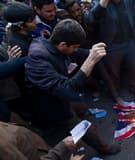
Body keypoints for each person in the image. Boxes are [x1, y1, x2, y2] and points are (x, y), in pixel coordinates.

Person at [25, 19, 121, 155]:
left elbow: (74, 52)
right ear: (63, 44)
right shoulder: (38, 57)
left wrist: (90, 52)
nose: (76, 50)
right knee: (79, 125)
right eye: (75, 46)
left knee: (81, 107)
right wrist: (91, 60)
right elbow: (67, 89)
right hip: (51, 103)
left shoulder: (51, 41)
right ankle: (104, 148)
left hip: (60, 93)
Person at [89, 0, 135, 98]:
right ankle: (115, 92)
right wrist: (102, 5)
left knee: (134, 67)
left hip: (129, 41)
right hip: (113, 45)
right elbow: (92, 19)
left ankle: (133, 87)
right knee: (114, 72)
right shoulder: (101, 3)